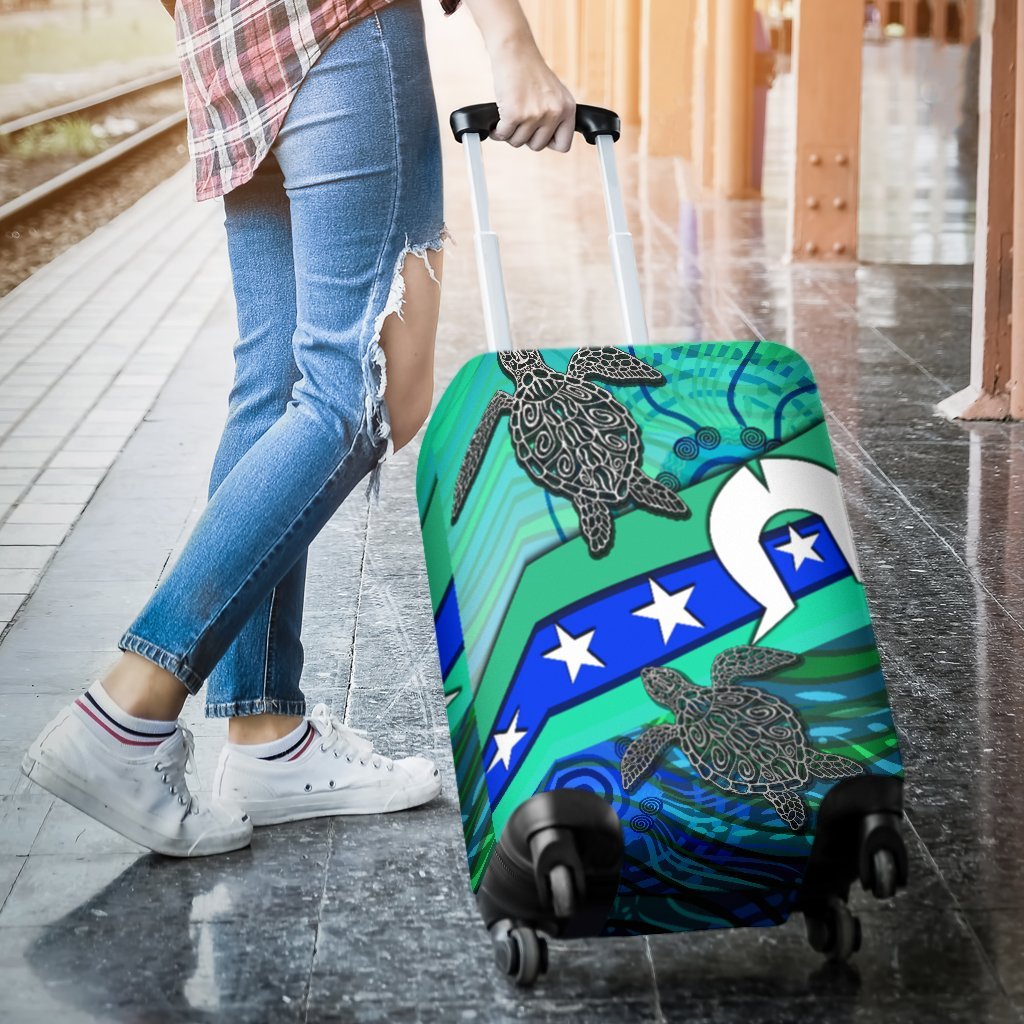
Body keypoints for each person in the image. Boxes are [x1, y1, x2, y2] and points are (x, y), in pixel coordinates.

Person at [22, 0, 576, 857]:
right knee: (361, 391)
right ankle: (127, 710)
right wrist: (512, 43)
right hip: (340, 27)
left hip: (228, 51)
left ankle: (265, 734)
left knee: (276, 383)